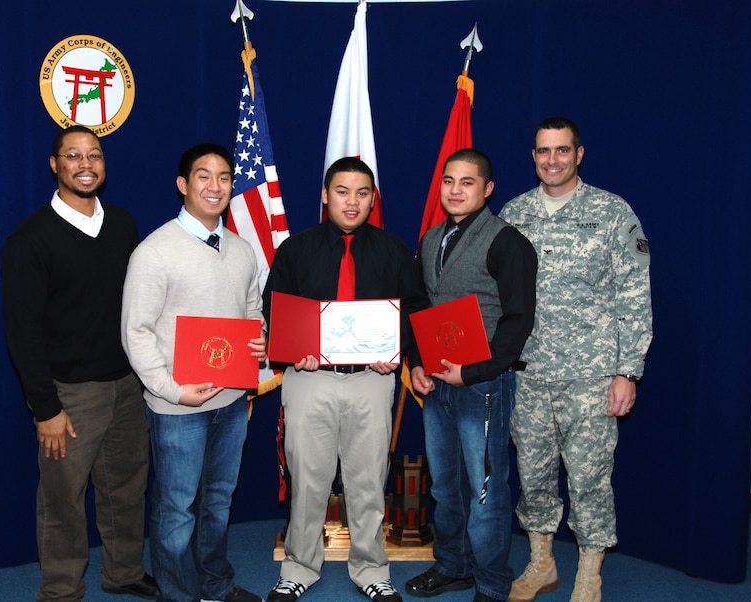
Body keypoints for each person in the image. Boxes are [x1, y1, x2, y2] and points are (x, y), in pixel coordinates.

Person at [1, 125, 158, 601]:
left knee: (127, 489)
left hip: (127, 387)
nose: (85, 164)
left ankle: (124, 571)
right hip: (69, 395)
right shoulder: (29, 241)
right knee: (62, 501)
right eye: (73, 155)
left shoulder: (124, 224)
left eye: (94, 155)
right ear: (55, 165)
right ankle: (61, 590)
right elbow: (22, 333)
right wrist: (45, 409)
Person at [262, 157, 429, 602]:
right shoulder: (295, 250)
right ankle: (299, 567)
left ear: (373, 199)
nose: (351, 202)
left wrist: (394, 352)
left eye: (361, 193)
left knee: (368, 480)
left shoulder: (394, 250)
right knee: (308, 479)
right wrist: (295, 348)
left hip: (372, 381)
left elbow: (413, 310)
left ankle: (371, 568)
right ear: (324, 195)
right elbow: (273, 311)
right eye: (342, 191)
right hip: (308, 378)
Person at [499, 117, 653, 602]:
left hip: (590, 375)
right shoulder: (514, 212)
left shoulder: (611, 212)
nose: (552, 160)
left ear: (579, 154)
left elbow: (634, 295)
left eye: (562, 150)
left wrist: (627, 371)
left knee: (588, 477)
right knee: (534, 473)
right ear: (534, 156)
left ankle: (590, 573)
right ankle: (542, 562)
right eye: (543, 151)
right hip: (528, 372)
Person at [120, 143, 267, 602]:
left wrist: (258, 343)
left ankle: (215, 585)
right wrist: (171, 390)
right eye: (204, 176)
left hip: (230, 400)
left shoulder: (242, 250)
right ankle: (180, 593)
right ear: (183, 185)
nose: (215, 186)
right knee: (176, 509)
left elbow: (251, 313)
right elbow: (136, 333)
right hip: (176, 406)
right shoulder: (155, 251)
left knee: (218, 502)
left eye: (224, 177)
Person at [405, 149, 538, 602]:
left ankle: (492, 584)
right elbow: (419, 307)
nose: (456, 190)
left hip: (482, 385)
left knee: (484, 491)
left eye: (467, 182)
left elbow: (518, 320)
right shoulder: (430, 238)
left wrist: (475, 370)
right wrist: (416, 362)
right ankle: (453, 566)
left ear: (487, 189)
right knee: (445, 485)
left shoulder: (508, 242)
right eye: (449, 181)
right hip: (438, 384)